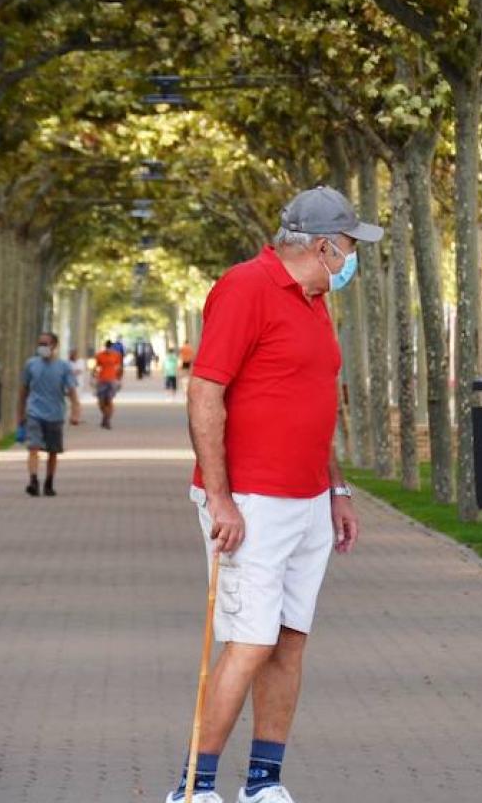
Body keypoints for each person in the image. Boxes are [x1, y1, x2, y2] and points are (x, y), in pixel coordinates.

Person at [160, 186, 377, 803]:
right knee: (249, 640)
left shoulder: (314, 301)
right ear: (325, 246)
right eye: (351, 246)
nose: (353, 259)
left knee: (288, 640)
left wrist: (336, 487)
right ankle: (194, 787)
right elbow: (205, 394)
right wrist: (221, 498)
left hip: (308, 499)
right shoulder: (245, 287)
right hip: (252, 501)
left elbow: (312, 402)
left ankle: (262, 782)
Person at [20, 330, 80, 496]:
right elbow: (23, 390)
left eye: (45, 344)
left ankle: (49, 482)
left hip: (55, 414)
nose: (42, 347)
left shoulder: (64, 367)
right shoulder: (31, 364)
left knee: (53, 451)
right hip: (34, 413)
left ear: (54, 346)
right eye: (40, 344)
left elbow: (72, 392)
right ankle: (33, 480)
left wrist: (75, 413)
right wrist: (20, 413)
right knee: (33, 447)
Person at [94, 340, 126, 430]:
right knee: (101, 402)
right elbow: (96, 367)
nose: (108, 349)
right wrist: (93, 377)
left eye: (109, 347)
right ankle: (105, 416)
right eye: (107, 347)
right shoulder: (99, 355)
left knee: (109, 400)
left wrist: (119, 380)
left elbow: (120, 368)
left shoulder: (116, 355)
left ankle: (107, 420)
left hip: (112, 380)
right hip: (101, 380)